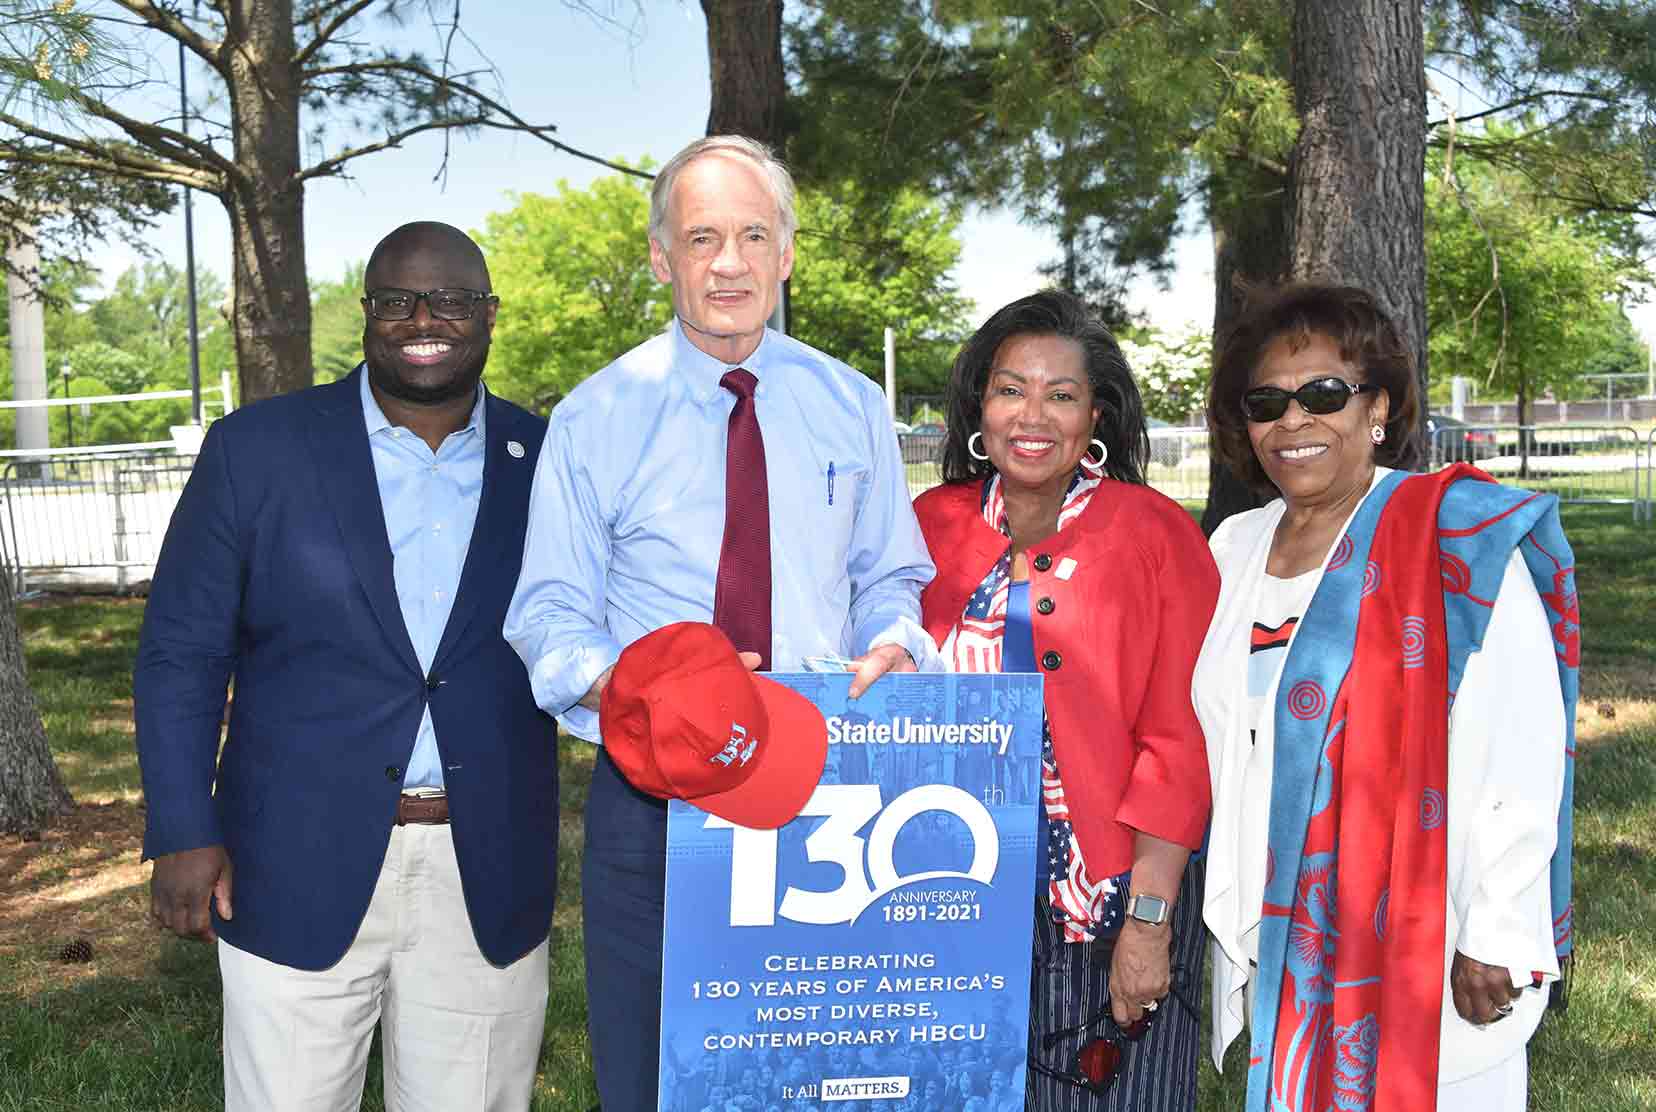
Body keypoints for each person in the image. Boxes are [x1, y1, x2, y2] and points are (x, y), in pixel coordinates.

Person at [503, 135, 936, 1110]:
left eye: (752, 234)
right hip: (655, 806)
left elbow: (891, 575)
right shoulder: (596, 416)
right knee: (659, 1081)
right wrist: (645, 684)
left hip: (827, 789)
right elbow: (548, 615)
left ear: (787, 252)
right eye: (703, 237)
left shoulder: (852, 404)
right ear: (663, 257)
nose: (729, 262)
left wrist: (896, 637)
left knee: (823, 1081)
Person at [135, 222, 558, 1110]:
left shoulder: (552, 460)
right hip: (289, 860)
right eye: (396, 299)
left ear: (489, 314)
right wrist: (181, 826)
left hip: (485, 868)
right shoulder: (256, 451)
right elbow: (181, 651)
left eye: (449, 298)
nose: (422, 318)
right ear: (367, 313)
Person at [1193, 283, 1576, 1111]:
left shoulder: (1451, 540)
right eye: (1267, 401)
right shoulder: (1234, 546)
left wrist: (1497, 925)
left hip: (1423, 927)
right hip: (1282, 928)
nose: (1293, 422)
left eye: (1325, 393)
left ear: (1380, 407)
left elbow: (1524, 737)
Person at [912, 290, 1218, 1110]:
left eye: (1061, 393)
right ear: (980, 404)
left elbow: (1179, 740)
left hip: (1110, 901)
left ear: (1096, 416)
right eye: (1011, 389)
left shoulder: (1154, 533)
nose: (1031, 415)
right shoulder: (926, 527)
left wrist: (1150, 921)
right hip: (948, 897)